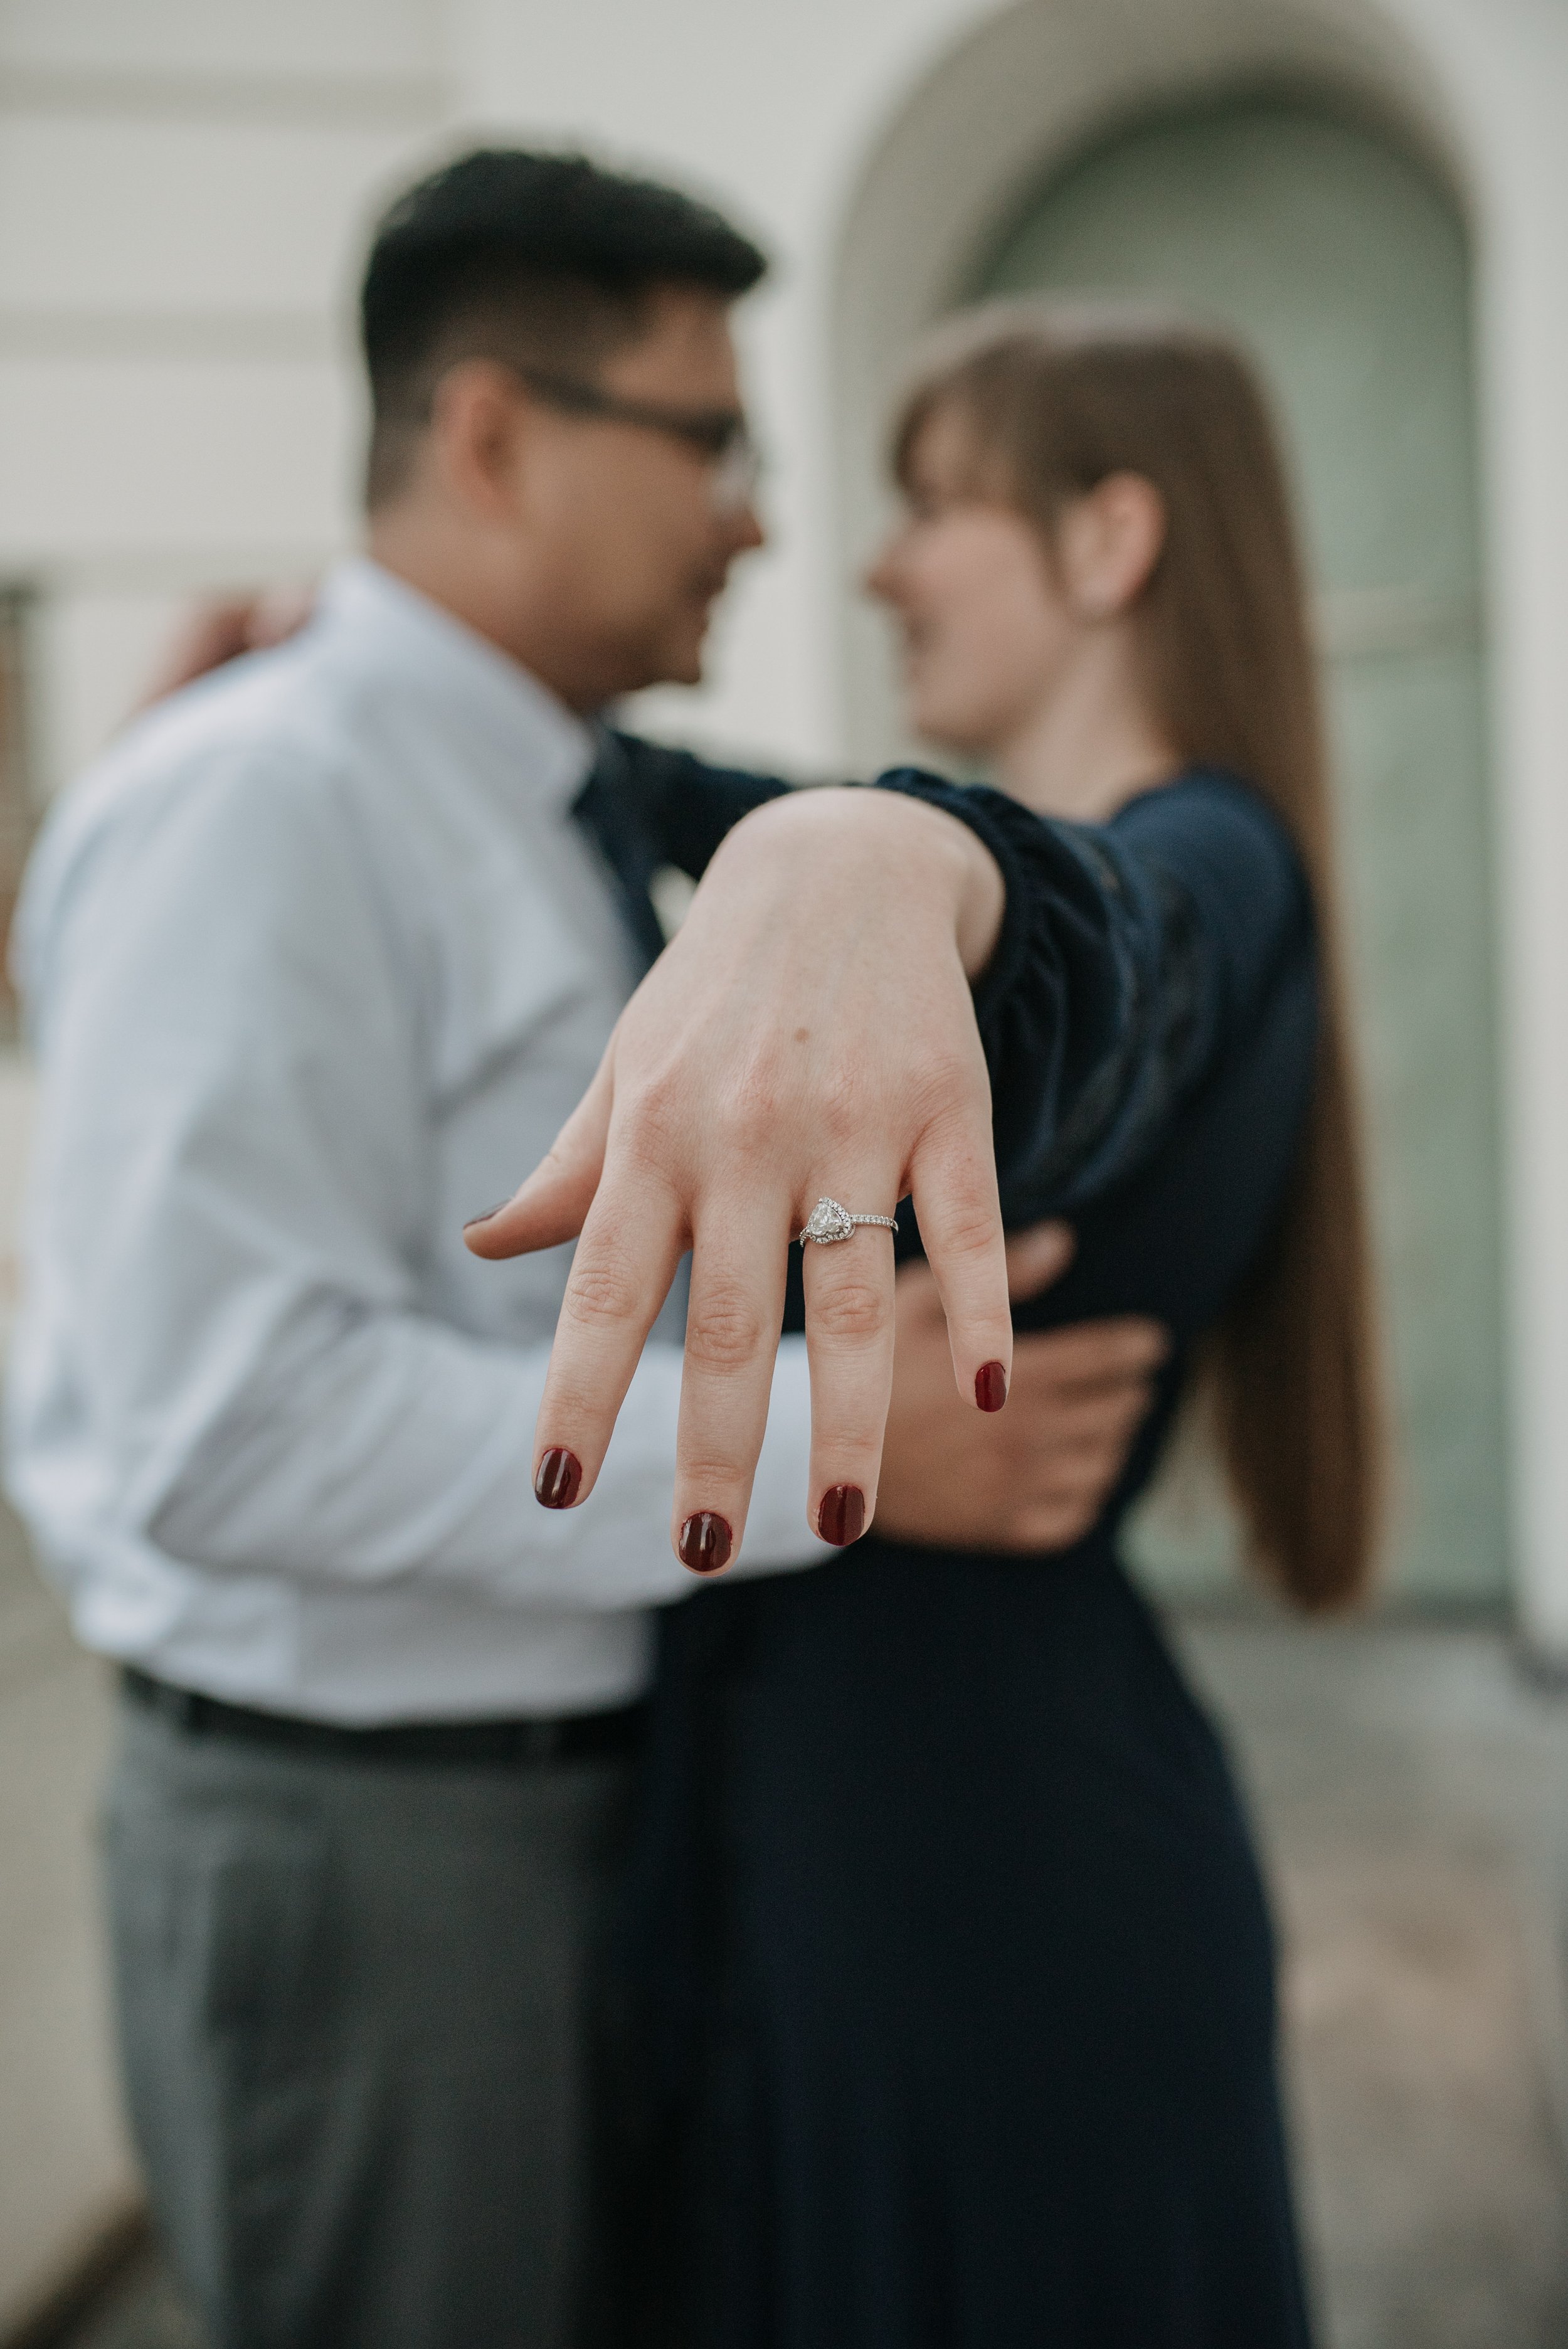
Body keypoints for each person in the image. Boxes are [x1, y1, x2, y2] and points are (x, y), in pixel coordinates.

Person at [4, 156, 1160, 2349]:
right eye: (707, 441)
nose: (753, 516)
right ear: (490, 436)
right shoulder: (263, 799)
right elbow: (226, 1424)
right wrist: (840, 1436)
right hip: (377, 1863)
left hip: (535, 1820)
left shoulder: (533, 799)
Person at [475, 304, 1383, 2345]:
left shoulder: (1212, 866)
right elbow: (717, 796)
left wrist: (884, 840)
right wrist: (431, 696)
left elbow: (1101, 955)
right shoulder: (1116, 850)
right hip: (893, 1857)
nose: (870, 564)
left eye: (929, 507)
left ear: (1109, 539)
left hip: (991, 1908)